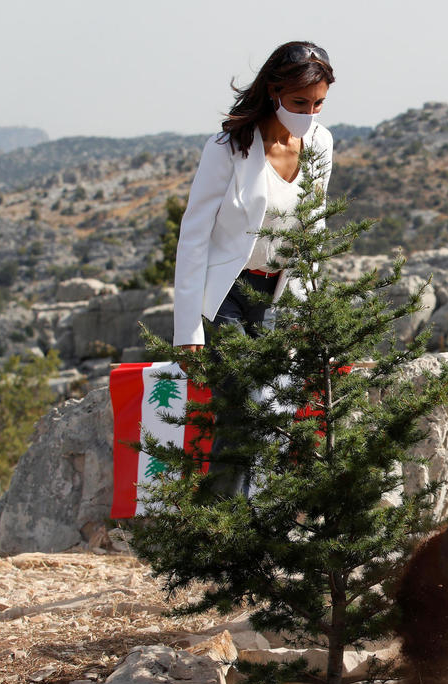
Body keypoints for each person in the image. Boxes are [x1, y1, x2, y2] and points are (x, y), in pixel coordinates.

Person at [172, 41, 335, 498]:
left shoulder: (320, 143)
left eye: (318, 103)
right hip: (227, 294)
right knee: (244, 408)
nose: (308, 112)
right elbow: (194, 234)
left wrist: (311, 306)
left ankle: (252, 524)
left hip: (280, 295)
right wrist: (187, 330)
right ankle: (224, 525)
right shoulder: (229, 146)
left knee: (277, 412)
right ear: (273, 90)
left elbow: (313, 228)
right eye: (299, 102)